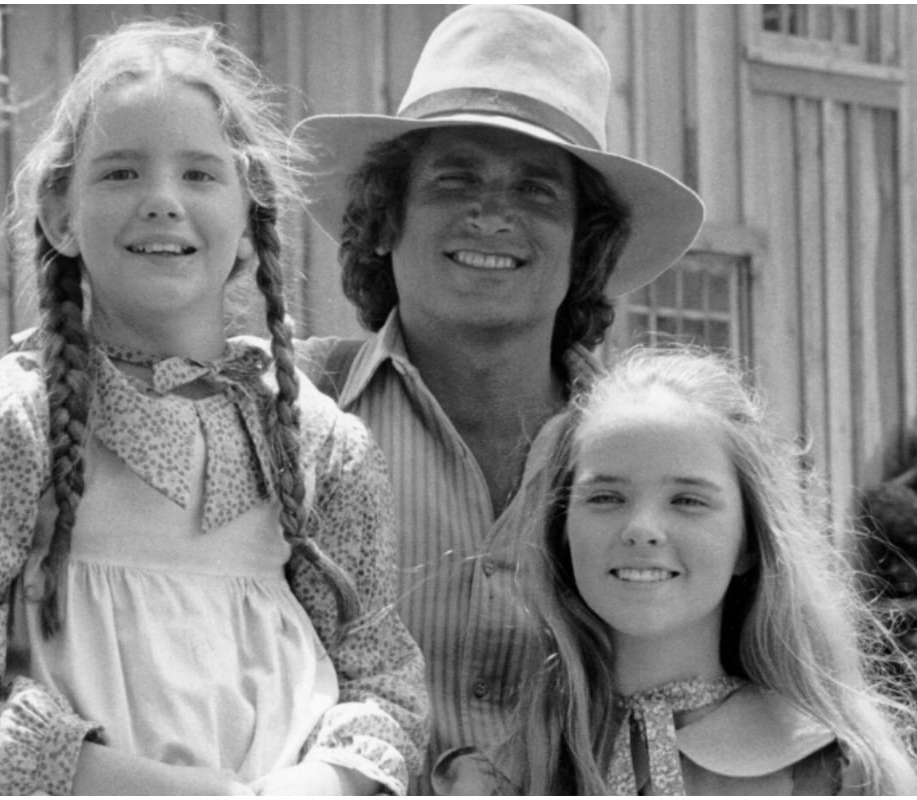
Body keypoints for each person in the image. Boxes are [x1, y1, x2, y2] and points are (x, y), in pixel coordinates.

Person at [0, 20, 426, 796]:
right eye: (119, 174)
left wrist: (319, 785)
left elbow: (382, 680)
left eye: (200, 175)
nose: (161, 202)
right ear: (59, 217)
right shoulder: (5, 425)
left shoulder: (313, 441)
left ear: (250, 224)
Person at [291, 4, 704, 789]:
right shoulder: (288, 412)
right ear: (383, 220)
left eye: (537, 190)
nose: (492, 213)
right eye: (456, 179)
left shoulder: (659, 449)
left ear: (586, 245)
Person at [452, 346, 917, 794]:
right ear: (561, 531)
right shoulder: (508, 773)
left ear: (749, 540)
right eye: (605, 497)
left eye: (687, 500)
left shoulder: (832, 770)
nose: (642, 529)